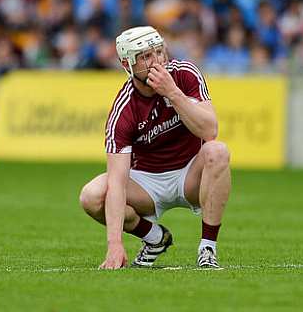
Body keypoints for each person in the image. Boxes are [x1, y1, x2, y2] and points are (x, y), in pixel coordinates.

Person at [79, 26, 231, 269]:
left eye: (159, 52)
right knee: (91, 196)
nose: (157, 61)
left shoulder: (184, 74)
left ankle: (207, 248)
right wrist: (114, 244)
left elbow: (210, 130)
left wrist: (172, 92)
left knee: (218, 151)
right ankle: (155, 238)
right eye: (146, 56)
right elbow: (117, 182)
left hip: (190, 174)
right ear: (128, 65)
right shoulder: (124, 109)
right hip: (147, 184)